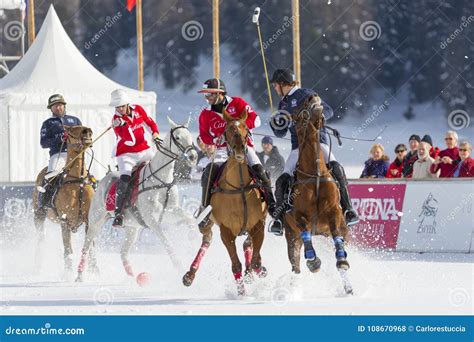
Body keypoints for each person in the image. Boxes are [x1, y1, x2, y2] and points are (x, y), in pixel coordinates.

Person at [269, 69, 359, 235]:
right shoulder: (282, 104)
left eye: (275, 85)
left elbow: (329, 111)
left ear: (283, 84)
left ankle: (348, 209)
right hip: (298, 148)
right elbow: (280, 133)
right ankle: (279, 220)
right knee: (283, 179)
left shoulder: (306, 94)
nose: (274, 88)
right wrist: (275, 123)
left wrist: (315, 113)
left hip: (319, 143)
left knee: (337, 167)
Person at [195, 78, 276, 229]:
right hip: (222, 150)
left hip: (243, 148)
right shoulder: (205, 114)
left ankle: (273, 208)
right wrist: (214, 137)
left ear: (220, 93)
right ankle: (205, 209)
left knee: (259, 170)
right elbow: (204, 135)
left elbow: (256, 120)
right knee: (209, 171)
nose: (207, 98)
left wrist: (241, 126)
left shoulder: (237, 103)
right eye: (206, 95)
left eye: (210, 95)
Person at [110, 89, 162, 227]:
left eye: (122, 105)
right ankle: (118, 213)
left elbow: (149, 123)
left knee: (159, 167)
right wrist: (123, 125)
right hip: (126, 154)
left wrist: (155, 134)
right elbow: (130, 140)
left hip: (144, 149)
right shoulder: (116, 120)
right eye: (117, 106)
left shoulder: (138, 109)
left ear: (127, 103)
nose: (120, 109)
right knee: (125, 178)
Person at [38, 94, 82, 210]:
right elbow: (43, 143)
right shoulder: (48, 123)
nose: (58, 108)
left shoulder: (75, 120)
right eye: (55, 106)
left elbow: (82, 135)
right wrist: (60, 139)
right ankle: (43, 205)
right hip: (58, 154)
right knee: (50, 176)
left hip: (76, 154)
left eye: (60, 105)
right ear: (51, 108)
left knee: (87, 176)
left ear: (64, 106)